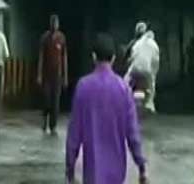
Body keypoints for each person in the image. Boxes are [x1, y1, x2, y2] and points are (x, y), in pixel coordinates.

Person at [66, 33, 148, 184]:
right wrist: (141, 166)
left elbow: (74, 133)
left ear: (93, 57)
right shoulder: (124, 89)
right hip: (117, 175)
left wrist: (70, 168)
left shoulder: (83, 87)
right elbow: (132, 133)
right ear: (114, 58)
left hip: (92, 175)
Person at [37, 14, 68, 135]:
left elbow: (64, 57)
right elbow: (41, 56)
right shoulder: (45, 38)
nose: (54, 25)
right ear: (50, 24)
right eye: (52, 23)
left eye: (56, 23)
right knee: (46, 99)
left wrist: (65, 76)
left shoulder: (62, 38)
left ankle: (53, 125)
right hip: (46, 74)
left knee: (56, 101)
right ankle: (45, 120)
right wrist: (39, 74)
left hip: (58, 75)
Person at [126, 27, 160, 113]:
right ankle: (150, 104)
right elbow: (156, 61)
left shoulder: (138, 43)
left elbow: (133, 55)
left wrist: (130, 63)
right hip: (147, 70)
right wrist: (154, 74)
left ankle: (123, 100)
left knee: (126, 81)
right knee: (152, 85)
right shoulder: (154, 45)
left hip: (135, 68)